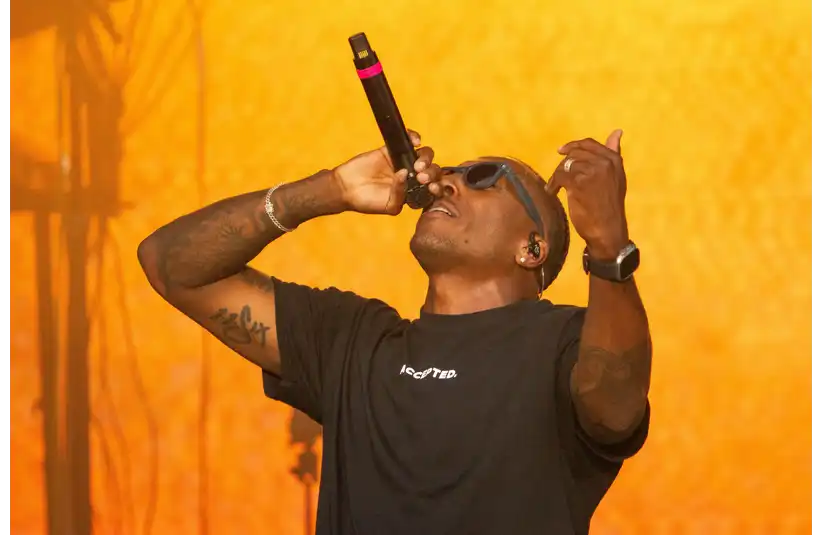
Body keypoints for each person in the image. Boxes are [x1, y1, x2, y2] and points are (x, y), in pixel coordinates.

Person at [137, 128, 652, 535]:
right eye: (447, 174)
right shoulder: (353, 341)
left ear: (531, 249)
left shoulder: (565, 341)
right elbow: (170, 266)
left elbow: (615, 406)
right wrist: (327, 190)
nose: (447, 183)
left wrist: (608, 248)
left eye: (483, 177)